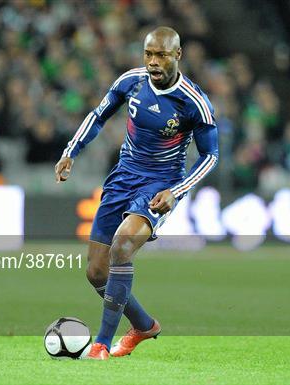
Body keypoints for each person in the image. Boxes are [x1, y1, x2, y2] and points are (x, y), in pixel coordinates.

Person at [55, 27, 219, 360]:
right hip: (123, 176)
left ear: (177, 55)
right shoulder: (131, 81)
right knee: (96, 272)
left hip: (161, 183)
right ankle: (144, 326)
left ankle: (101, 344)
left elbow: (210, 155)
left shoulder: (193, 102)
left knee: (123, 245)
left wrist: (177, 190)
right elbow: (98, 115)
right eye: (148, 54)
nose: (154, 62)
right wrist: (71, 150)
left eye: (161, 55)